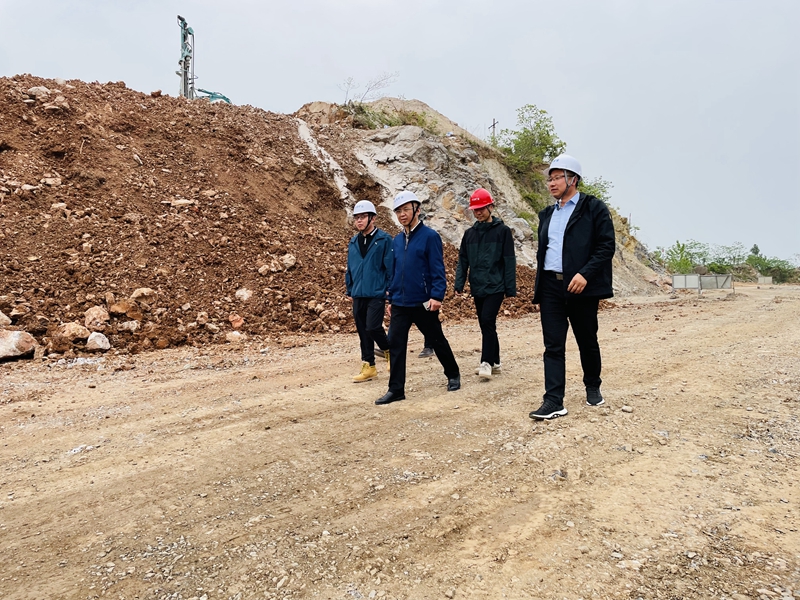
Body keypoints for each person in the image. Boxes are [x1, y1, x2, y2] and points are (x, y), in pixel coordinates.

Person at [529, 154, 615, 420]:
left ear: (573, 179)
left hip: (581, 288)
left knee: (586, 340)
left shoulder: (593, 208)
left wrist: (585, 274)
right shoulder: (547, 214)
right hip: (551, 287)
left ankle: (593, 385)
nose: (551, 183)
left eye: (557, 178)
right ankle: (553, 400)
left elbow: (606, 246)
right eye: (550, 179)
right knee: (553, 345)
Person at [376, 191, 461, 405]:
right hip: (400, 303)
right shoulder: (396, 240)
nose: (402, 214)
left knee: (436, 339)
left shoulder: (430, 237)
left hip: (423, 301)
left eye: (406, 209)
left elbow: (437, 269)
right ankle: (396, 389)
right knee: (396, 345)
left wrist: (437, 296)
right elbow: (394, 271)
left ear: (417, 209)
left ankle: (453, 373)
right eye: (398, 211)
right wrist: (390, 298)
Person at [454, 188, 517, 379]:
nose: (478, 212)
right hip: (478, 285)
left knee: (488, 321)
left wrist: (510, 289)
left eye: (481, 208)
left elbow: (509, 260)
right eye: (475, 209)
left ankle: (486, 362)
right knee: (485, 324)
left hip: (496, 285)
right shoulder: (469, 234)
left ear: (491, 207)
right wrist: (459, 284)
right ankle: (496, 362)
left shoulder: (503, 232)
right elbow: (463, 260)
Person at [345, 200, 393, 383]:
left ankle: (389, 351)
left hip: (376, 292)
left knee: (373, 327)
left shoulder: (384, 240)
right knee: (362, 331)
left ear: (373, 218)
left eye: (363, 217)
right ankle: (369, 366)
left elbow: (390, 267)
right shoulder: (353, 242)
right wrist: (350, 289)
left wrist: (389, 290)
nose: (359, 220)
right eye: (357, 217)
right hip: (358, 293)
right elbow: (350, 268)